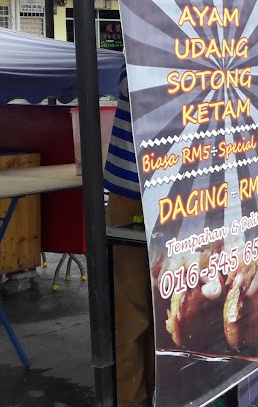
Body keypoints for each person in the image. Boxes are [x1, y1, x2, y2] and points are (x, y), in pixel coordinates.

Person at [102, 67, 155, 407]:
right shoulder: (145, 42)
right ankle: (131, 400)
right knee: (130, 316)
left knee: (169, 313)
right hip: (134, 195)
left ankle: (160, 395)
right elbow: (136, 85)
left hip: (191, 200)